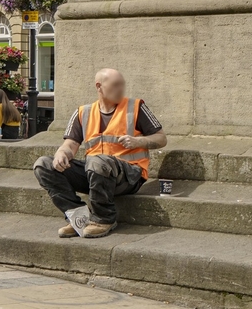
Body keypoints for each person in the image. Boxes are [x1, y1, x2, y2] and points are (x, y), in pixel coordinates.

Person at [33, 68, 166, 239]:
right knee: (43, 165)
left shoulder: (136, 107)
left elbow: (161, 138)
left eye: (122, 85)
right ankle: (79, 219)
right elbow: (70, 144)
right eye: (115, 85)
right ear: (99, 87)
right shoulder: (83, 112)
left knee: (97, 162)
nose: (121, 89)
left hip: (129, 176)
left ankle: (103, 219)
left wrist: (139, 141)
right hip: (95, 172)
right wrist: (62, 153)